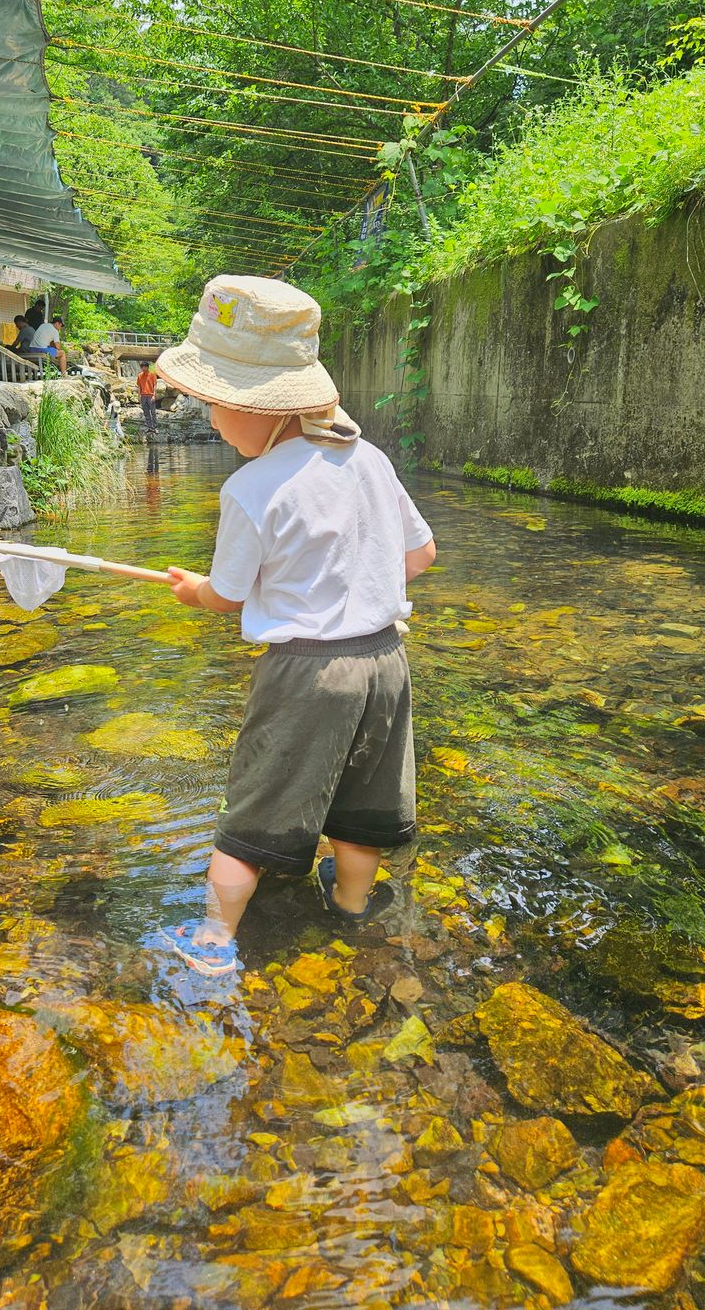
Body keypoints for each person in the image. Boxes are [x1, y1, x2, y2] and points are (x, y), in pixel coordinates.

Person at [154, 275, 436, 975]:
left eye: (220, 406)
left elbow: (227, 594)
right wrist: (358, 582)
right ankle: (350, 905)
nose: (214, 421)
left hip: (306, 673)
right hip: (384, 663)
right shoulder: (370, 459)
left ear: (265, 409)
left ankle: (215, 941)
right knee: (365, 801)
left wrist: (194, 593)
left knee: (254, 811)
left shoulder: (249, 488)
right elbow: (422, 555)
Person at [137, 360, 159, 434]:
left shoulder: (152, 375)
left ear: (147, 367)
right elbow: (139, 386)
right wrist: (139, 396)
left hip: (150, 395)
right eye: (142, 367)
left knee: (153, 412)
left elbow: (155, 385)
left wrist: (154, 395)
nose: (143, 369)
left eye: (144, 367)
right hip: (143, 396)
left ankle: (155, 427)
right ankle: (149, 427)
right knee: (146, 412)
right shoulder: (139, 375)